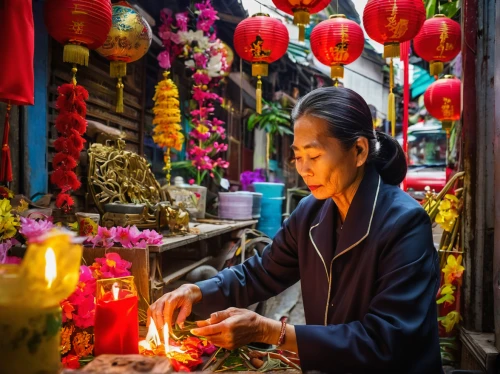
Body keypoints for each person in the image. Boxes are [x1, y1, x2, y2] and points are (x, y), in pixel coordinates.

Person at [149, 87, 443, 373]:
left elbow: (385, 340)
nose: (303, 169)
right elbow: (262, 272)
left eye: (313, 156)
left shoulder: (405, 223)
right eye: (297, 155)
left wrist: (271, 331)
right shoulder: (311, 212)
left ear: (359, 150)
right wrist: (195, 291)